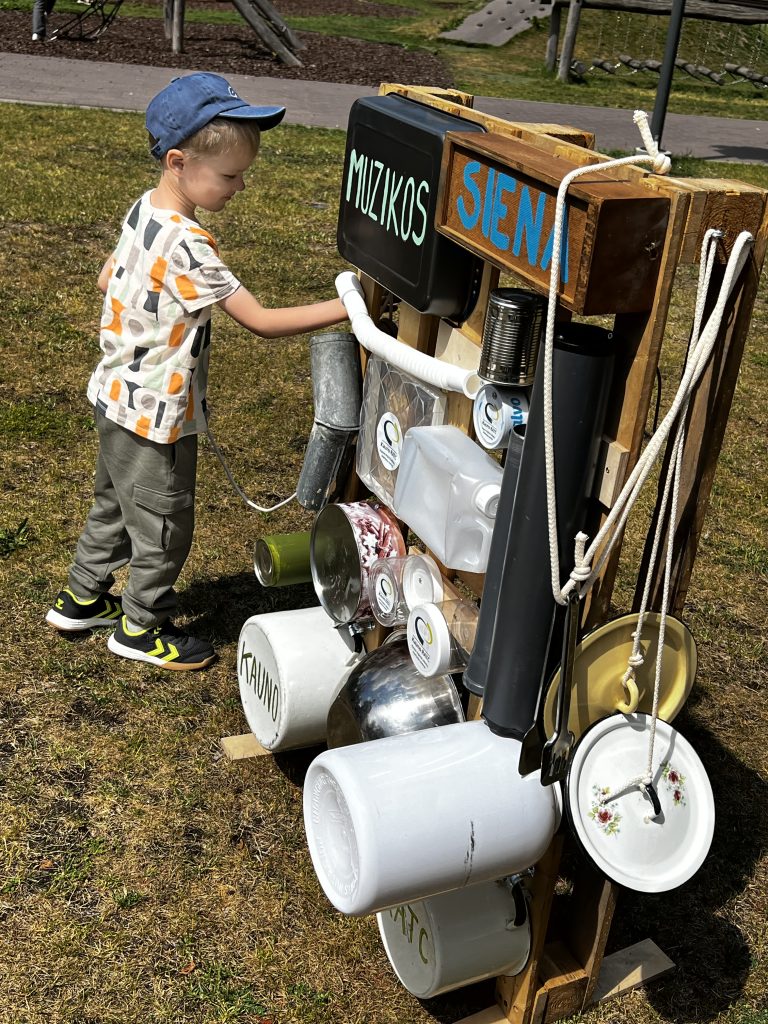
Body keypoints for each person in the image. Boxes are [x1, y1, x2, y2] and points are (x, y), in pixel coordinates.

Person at [46, 72, 350, 670]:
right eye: (230, 176)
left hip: (114, 393)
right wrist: (352, 306)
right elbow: (261, 321)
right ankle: (140, 627)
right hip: (156, 414)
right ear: (179, 162)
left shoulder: (144, 209)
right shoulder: (189, 246)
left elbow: (109, 277)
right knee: (163, 524)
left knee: (115, 503)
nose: (240, 187)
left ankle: (82, 598)